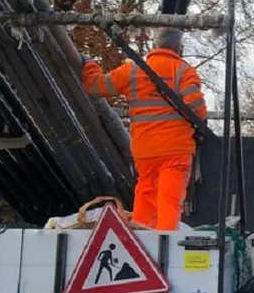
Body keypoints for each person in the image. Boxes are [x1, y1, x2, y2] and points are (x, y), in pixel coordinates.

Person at [81, 27, 207, 230]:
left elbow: (96, 86)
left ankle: (141, 238)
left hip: (145, 149)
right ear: (179, 47)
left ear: (155, 45)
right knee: (169, 202)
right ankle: (164, 243)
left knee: (145, 194)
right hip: (175, 149)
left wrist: (89, 64)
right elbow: (197, 110)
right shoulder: (184, 71)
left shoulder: (132, 70)